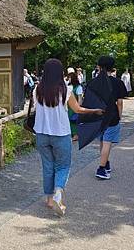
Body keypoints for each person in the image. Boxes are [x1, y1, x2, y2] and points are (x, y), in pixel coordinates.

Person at [33, 59, 104, 216]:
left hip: (41, 134)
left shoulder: (37, 89)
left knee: (47, 166)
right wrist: (95, 111)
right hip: (61, 134)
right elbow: (78, 110)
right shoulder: (66, 90)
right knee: (63, 166)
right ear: (60, 72)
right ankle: (59, 191)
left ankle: (50, 200)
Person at [86, 56, 127, 180]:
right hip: (112, 115)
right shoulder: (118, 82)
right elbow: (119, 102)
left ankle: (105, 163)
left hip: (97, 115)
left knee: (103, 141)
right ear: (112, 67)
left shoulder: (92, 82)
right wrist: (120, 115)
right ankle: (101, 168)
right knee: (107, 142)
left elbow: (87, 100)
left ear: (98, 67)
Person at [67, 72, 83, 141]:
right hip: (69, 107)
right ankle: (72, 134)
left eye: (69, 78)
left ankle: (76, 135)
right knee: (70, 121)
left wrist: (78, 108)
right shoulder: (69, 86)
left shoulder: (78, 87)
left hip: (74, 106)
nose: (68, 79)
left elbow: (80, 99)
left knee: (74, 121)